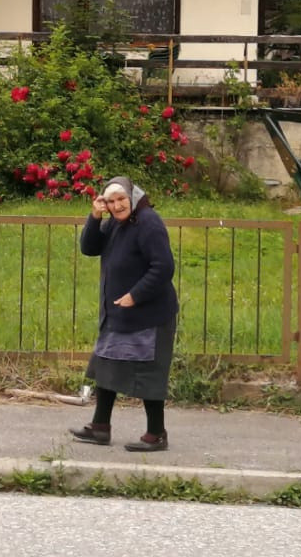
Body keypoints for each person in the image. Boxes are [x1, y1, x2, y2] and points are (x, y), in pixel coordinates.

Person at [68, 175, 179, 451]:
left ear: (132, 197)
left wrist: (135, 295)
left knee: (149, 373)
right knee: (107, 365)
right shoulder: (115, 224)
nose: (117, 206)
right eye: (111, 201)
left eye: (121, 200)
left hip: (149, 315)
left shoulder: (148, 222)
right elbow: (89, 248)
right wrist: (95, 216)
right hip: (119, 313)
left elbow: (163, 267)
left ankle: (157, 433)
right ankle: (100, 427)